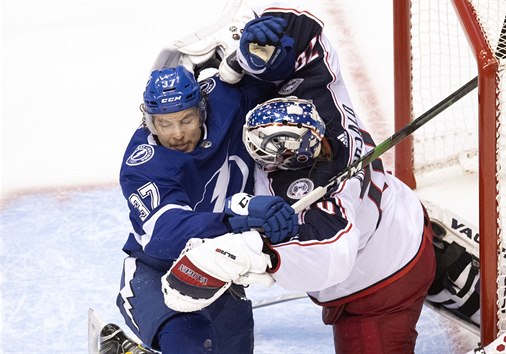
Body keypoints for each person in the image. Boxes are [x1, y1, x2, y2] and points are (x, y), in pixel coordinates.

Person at [162, 97, 437, 354]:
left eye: (266, 152)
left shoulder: (329, 200)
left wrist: (261, 255)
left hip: (381, 286)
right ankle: (448, 267)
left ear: (295, 154)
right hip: (404, 216)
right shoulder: (328, 110)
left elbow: (332, 257)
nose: (259, 157)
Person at [113, 64, 299, 354]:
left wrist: (262, 51)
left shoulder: (224, 101)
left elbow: (277, 74)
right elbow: (166, 235)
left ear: (201, 110)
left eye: (186, 120)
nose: (176, 134)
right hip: (157, 271)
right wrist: (237, 219)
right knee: (189, 343)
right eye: (164, 124)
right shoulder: (144, 164)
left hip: (222, 269)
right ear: (149, 122)